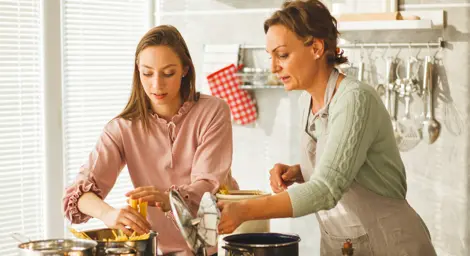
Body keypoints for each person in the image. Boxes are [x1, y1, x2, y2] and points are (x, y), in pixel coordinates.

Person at [217, 1, 436, 255]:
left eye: (283, 55)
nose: (274, 67)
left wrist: (246, 209)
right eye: (271, 57)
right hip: (341, 245)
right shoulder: (305, 101)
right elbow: (341, 166)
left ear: (316, 48)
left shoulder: (355, 98)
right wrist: (300, 171)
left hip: (390, 244)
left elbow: (326, 189)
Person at [63, 25, 238, 256]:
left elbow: (208, 185)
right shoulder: (122, 128)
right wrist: (109, 214)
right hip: (154, 250)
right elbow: (76, 196)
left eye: (168, 73)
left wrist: (170, 199)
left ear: (185, 69)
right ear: (138, 71)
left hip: (208, 249)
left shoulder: (213, 111)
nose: (157, 85)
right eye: (147, 73)